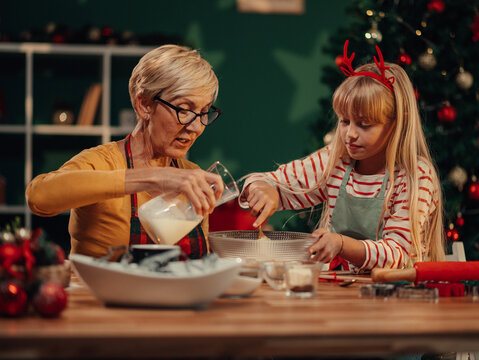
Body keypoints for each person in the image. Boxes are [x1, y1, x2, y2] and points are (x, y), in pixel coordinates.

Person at [240, 41, 445, 271]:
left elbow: (396, 254)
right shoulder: (336, 160)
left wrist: (341, 244)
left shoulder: (414, 175)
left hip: (399, 297)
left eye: (365, 124)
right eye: (344, 121)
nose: (350, 134)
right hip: (345, 292)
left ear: (396, 124)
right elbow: (264, 180)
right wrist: (265, 187)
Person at [26, 44, 224, 259]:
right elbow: (39, 198)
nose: (196, 127)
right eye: (184, 109)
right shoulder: (102, 162)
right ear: (145, 105)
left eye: (204, 112)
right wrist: (154, 178)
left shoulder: (191, 175)